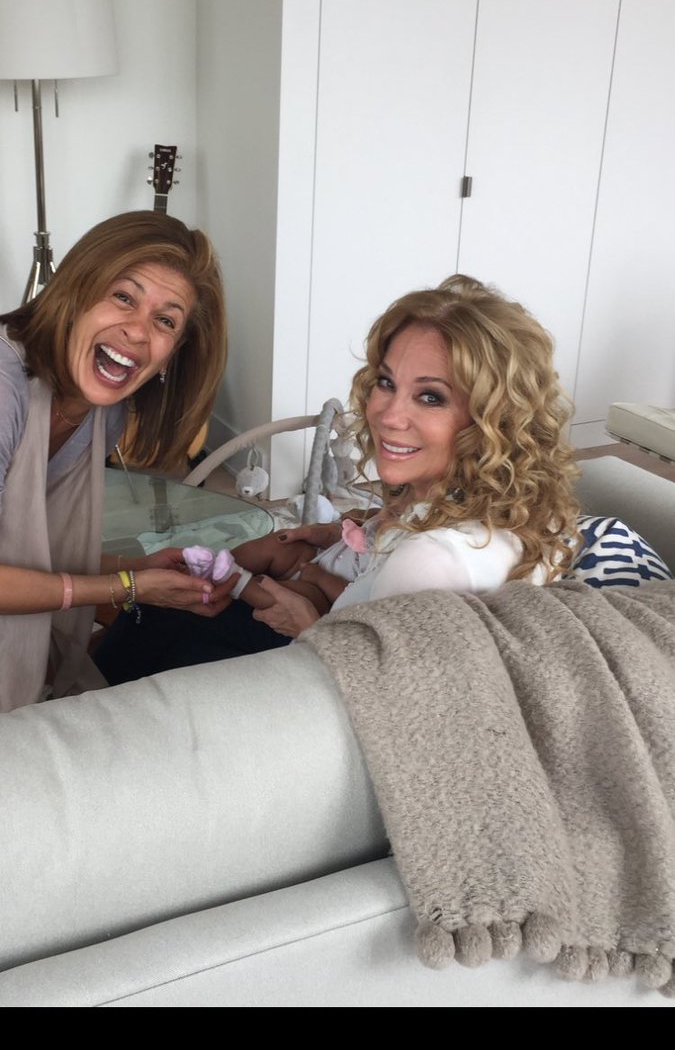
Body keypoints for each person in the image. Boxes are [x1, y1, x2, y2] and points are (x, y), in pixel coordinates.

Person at [93, 273, 582, 684]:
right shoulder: (522, 511)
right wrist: (350, 528)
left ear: (494, 417)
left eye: (431, 396)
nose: (387, 414)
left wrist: (309, 627)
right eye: (387, 382)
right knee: (178, 603)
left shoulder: (430, 561)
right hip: (329, 620)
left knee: (162, 619)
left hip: (304, 672)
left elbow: (378, 701)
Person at [0, 209, 233, 712]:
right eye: (123, 297)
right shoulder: (5, 384)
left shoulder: (102, 412)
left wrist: (134, 568)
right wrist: (125, 587)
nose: (138, 331)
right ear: (75, 294)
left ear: (172, 354)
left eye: (165, 320)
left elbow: (29, 551)